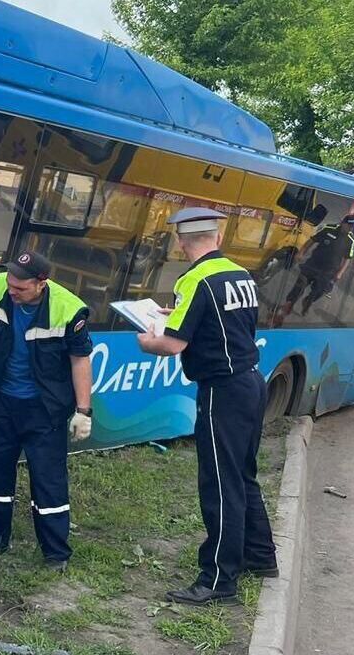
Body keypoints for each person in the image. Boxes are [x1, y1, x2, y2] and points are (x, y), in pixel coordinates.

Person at [137, 207, 277, 605]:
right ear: (217, 238)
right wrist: (177, 317)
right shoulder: (240, 274)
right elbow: (229, 326)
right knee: (243, 475)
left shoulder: (194, 279)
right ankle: (261, 555)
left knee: (219, 484)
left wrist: (147, 341)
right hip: (251, 382)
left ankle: (218, 580)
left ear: (182, 242)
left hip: (222, 390)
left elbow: (172, 344)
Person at [0, 250, 94, 571]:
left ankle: (55, 553)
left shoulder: (68, 309)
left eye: (20, 288)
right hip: (1, 400)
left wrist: (83, 410)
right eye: (10, 284)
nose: (11, 291)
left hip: (44, 409)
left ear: (41, 283)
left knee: (48, 480)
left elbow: (80, 359)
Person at [272, 213, 354, 326]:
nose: (351, 228)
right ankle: (285, 309)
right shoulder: (329, 229)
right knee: (299, 286)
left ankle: (309, 300)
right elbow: (311, 240)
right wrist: (301, 252)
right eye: (349, 225)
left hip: (328, 271)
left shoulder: (351, 239)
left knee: (319, 291)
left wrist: (340, 273)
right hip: (313, 265)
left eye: (353, 227)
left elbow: (347, 258)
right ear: (343, 223)